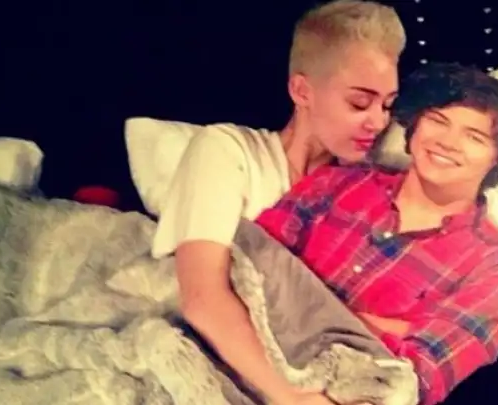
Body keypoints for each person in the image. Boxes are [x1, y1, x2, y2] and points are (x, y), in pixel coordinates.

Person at [151, 1, 406, 404]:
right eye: (359, 102)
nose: (377, 121)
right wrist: (295, 398)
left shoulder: (363, 190)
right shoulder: (229, 150)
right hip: (209, 359)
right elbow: (201, 299)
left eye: (387, 104)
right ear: (302, 91)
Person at [255, 63, 498, 405]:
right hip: (233, 356)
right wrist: (389, 327)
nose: (448, 142)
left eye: (474, 137)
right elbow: (248, 266)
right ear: (414, 126)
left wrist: (297, 305)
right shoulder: (336, 184)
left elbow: (413, 376)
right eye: (437, 120)